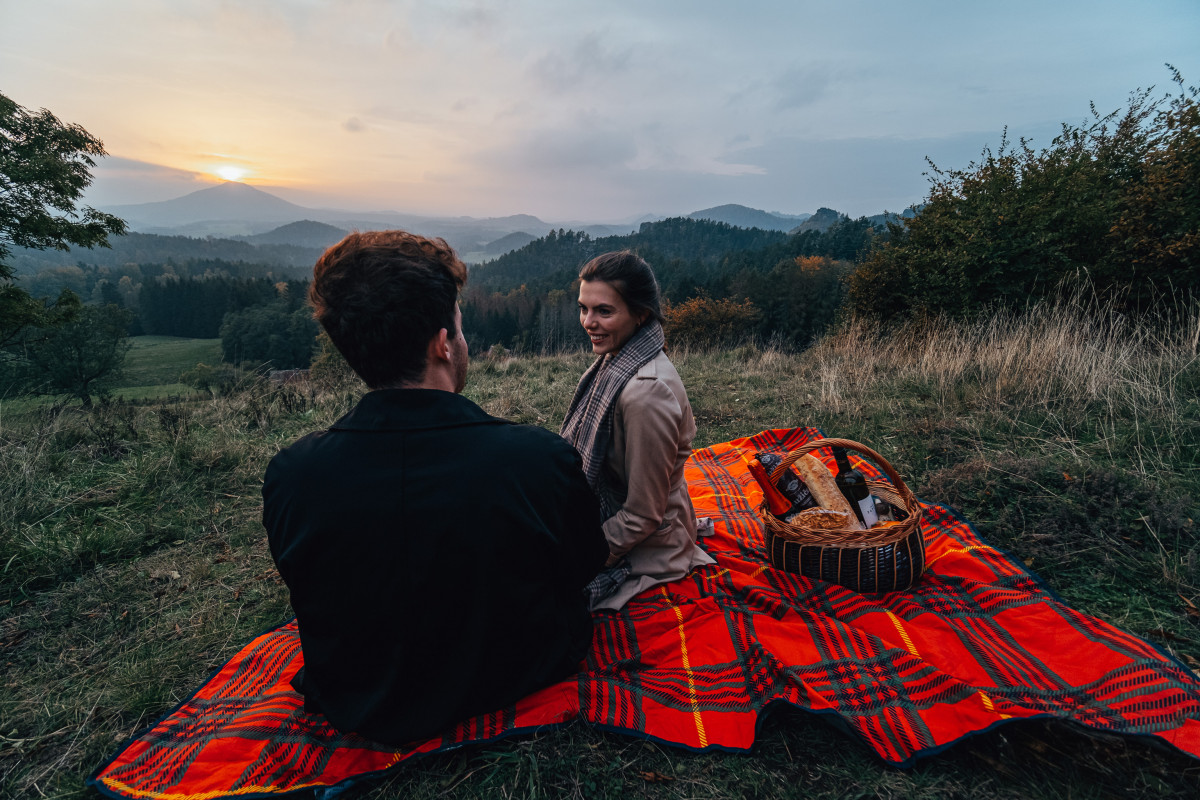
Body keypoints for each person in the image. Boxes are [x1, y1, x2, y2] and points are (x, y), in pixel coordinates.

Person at [262, 230, 608, 746]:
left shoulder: (292, 474)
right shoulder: (539, 460)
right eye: (461, 325)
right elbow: (582, 565)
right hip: (517, 675)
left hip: (355, 697)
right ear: (443, 344)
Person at [560, 251, 715, 611]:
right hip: (617, 513)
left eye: (604, 311)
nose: (588, 321)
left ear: (641, 314)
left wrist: (579, 554)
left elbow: (645, 515)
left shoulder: (646, 394)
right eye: (584, 308)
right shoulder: (616, 361)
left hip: (649, 547)